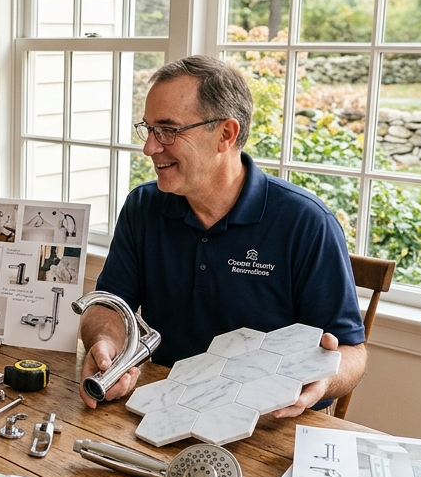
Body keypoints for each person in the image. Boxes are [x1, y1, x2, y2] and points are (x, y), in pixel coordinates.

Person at [80, 56, 366, 416]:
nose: (150, 148)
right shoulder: (144, 206)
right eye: (148, 129)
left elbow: (353, 353)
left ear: (225, 134)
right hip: (160, 402)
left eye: (168, 130)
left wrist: (324, 379)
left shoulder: (306, 222)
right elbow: (108, 304)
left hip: (267, 420)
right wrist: (105, 345)